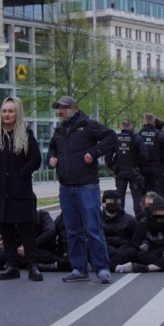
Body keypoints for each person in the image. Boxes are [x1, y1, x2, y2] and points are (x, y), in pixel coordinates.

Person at [47, 95, 117, 283]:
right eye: (59, 108)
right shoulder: (60, 130)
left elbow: (111, 137)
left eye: (64, 108)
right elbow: (52, 149)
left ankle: (102, 268)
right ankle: (79, 268)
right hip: (66, 186)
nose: (60, 112)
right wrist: (51, 158)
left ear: (75, 108)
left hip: (86, 185)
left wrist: (94, 153)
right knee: (72, 230)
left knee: (93, 228)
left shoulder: (89, 125)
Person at [0, 96, 43, 282]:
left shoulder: (26, 134)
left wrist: (22, 173)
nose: (7, 114)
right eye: (4, 111)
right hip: (0, 192)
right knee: (5, 230)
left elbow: (36, 159)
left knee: (26, 230)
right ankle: (12, 266)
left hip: (21, 191)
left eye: (10, 111)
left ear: (17, 113)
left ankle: (32, 266)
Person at [115, 196, 164, 273]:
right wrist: (144, 246)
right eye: (157, 211)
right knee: (140, 256)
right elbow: (135, 242)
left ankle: (148, 268)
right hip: (152, 251)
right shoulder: (144, 223)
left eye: (162, 210)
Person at [105, 119, 148, 215]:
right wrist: (140, 166)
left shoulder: (116, 138)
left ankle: (120, 221)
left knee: (119, 198)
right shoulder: (136, 138)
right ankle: (139, 221)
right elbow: (144, 155)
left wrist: (113, 167)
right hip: (134, 172)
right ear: (131, 127)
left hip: (120, 172)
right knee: (137, 198)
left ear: (121, 127)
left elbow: (107, 157)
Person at [138, 113, 164, 205]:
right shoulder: (161, 136)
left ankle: (145, 214)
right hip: (157, 170)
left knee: (144, 194)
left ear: (144, 122)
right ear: (154, 122)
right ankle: (156, 212)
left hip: (142, 171)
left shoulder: (138, 135)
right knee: (157, 194)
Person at [100, 190, 138, 271]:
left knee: (132, 251)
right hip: (105, 248)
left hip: (123, 249)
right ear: (103, 204)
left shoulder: (130, 220)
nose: (111, 204)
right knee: (88, 246)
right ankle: (116, 267)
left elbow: (135, 241)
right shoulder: (97, 219)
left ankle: (106, 265)